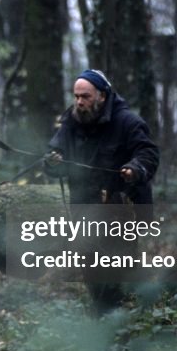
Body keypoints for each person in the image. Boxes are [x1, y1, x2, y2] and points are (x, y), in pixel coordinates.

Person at [44, 69, 159, 312]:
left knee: (118, 267)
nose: (79, 102)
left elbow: (148, 154)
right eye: (76, 96)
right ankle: (104, 316)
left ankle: (128, 315)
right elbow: (54, 155)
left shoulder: (128, 122)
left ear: (102, 96)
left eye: (85, 96)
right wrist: (53, 161)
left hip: (123, 207)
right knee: (91, 265)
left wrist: (134, 168)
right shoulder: (71, 122)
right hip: (85, 207)